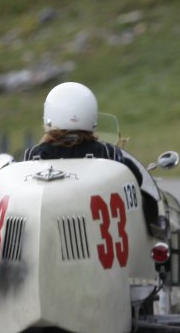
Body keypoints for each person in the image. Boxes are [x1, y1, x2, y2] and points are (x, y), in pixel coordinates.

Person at [23, 82, 161, 230]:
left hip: (46, 226)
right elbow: (138, 180)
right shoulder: (107, 153)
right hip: (99, 230)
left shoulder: (35, 155)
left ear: (49, 115)